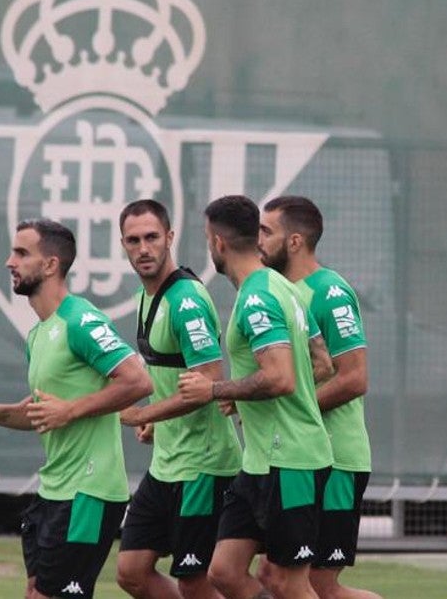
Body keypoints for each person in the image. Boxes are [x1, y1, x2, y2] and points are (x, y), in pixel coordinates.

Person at [0, 218, 152, 599]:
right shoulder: (39, 333)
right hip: (54, 490)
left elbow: (137, 381)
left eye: (21, 253)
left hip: (88, 492)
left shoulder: (81, 320)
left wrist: (73, 410)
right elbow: (44, 410)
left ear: (50, 266)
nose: (10, 262)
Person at [178, 195, 334, 599]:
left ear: (218, 243)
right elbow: (321, 362)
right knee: (224, 571)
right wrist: (246, 395)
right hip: (260, 462)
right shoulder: (280, 287)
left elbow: (281, 378)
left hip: (292, 461)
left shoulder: (258, 297)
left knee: (289, 582)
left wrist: (216, 389)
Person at [114, 199, 243, 599]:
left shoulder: (186, 300)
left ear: (169, 237)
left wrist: (144, 413)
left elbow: (209, 382)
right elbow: (168, 373)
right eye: (133, 240)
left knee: (194, 580)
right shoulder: (145, 296)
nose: (143, 248)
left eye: (152, 237)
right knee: (131, 571)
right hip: (168, 464)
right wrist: (157, 420)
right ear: (123, 245)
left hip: (204, 465)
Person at [256, 195, 382, 599]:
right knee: (275, 579)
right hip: (300, 458)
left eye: (266, 231)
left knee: (318, 586)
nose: (257, 240)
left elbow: (355, 378)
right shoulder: (282, 291)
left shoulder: (329, 292)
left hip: (338, 460)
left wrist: (296, 406)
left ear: (294, 242)